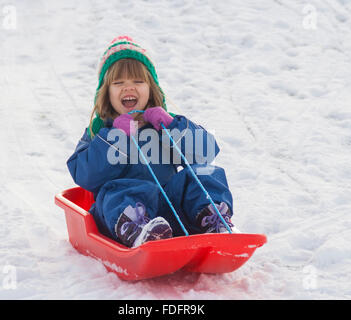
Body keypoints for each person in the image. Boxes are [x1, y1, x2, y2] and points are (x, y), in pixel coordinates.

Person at [67, 36, 235, 247]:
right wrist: (115, 137)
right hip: (123, 214)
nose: (129, 88)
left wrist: (173, 126)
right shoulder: (100, 131)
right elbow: (84, 175)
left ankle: (211, 221)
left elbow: (206, 152)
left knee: (202, 174)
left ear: (151, 88)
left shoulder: (164, 125)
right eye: (118, 83)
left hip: (172, 211)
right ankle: (136, 231)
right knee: (116, 192)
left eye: (138, 81)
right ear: (106, 93)